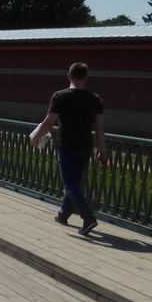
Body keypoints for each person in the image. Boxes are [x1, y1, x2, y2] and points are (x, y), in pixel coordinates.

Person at [30, 62, 108, 236]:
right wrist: (103, 153)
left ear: (68, 76)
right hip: (86, 146)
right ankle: (63, 214)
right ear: (86, 78)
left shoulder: (59, 96)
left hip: (66, 146)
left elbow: (49, 123)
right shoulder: (95, 99)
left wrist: (35, 138)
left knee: (71, 184)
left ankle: (88, 218)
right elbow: (100, 129)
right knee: (75, 183)